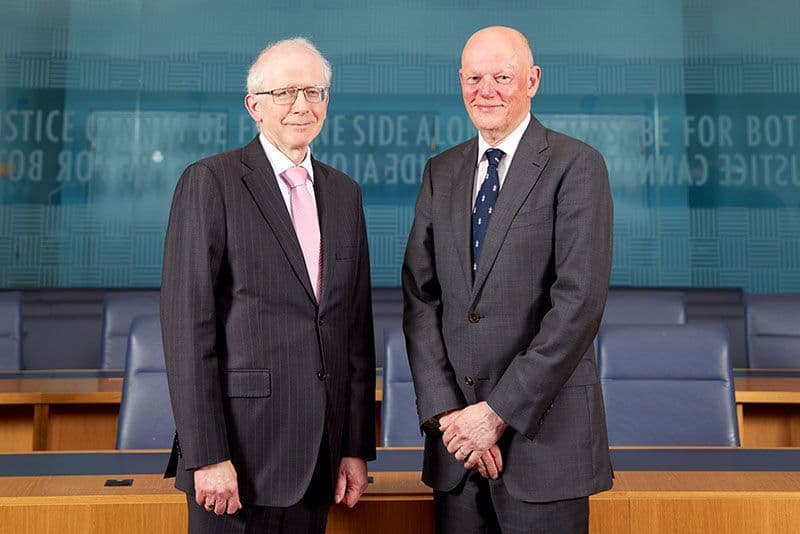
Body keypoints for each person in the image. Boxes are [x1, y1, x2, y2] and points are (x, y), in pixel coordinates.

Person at [402, 26, 613, 533]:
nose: (486, 90)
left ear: (533, 80)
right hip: (457, 453)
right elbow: (419, 297)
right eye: (474, 77)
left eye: (502, 76)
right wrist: (452, 419)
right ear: (460, 82)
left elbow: (577, 304)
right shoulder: (440, 171)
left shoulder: (576, 165)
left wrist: (495, 415)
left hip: (545, 449)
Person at [161, 37, 375, 533]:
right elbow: (188, 331)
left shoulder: (345, 194)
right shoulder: (210, 182)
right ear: (254, 106)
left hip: (320, 462)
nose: (302, 105)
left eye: (314, 92)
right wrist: (207, 455)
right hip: (236, 464)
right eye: (285, 93)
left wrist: (354, 447)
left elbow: (354, 334)